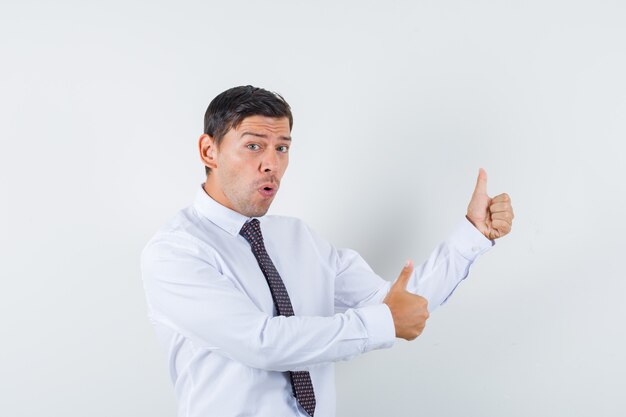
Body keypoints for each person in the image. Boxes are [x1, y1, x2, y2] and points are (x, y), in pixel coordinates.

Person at [140, 85, 514, 417]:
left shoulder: (298, 239)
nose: (271, 163)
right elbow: (262, 343)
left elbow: (403, 304)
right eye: (253, 145)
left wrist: (472, 235)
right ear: (209, 150)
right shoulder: (176, 251)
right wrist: (383, 324)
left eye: (281, 148)